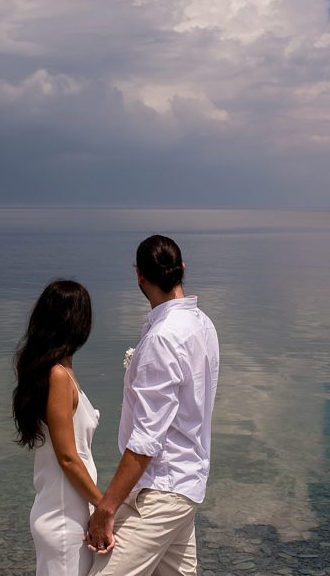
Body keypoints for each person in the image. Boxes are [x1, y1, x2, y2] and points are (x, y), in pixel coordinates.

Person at [86, 235, 220, 575]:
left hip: (161, 491)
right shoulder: (203, 325)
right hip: (187, 486)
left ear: (139, 276)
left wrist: (106, 507)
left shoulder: (162, 337)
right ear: (182, 270)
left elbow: (146, 440)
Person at [13, 280, 102, 576]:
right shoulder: (59, 376)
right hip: (65, 515)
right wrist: (104, 506)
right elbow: (67, 457)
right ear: (78, 323)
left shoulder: (53, 372)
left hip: (63, 507)